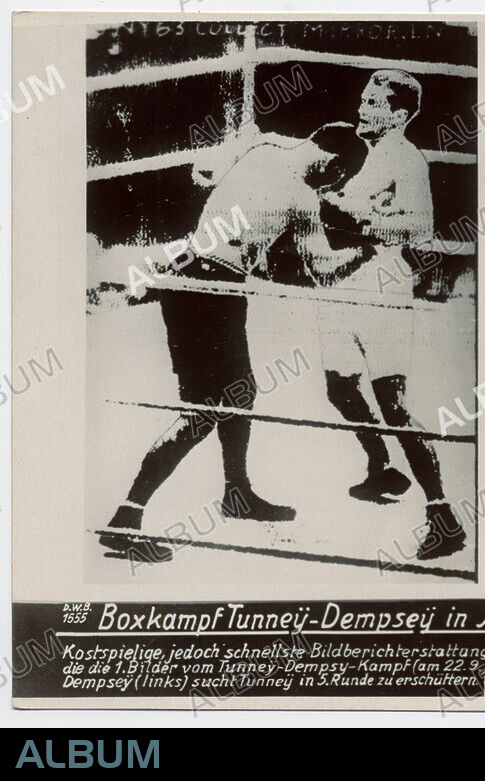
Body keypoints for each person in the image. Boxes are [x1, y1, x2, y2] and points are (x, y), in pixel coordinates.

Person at [99, 124, 361, 563]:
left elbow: (206, 173)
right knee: (203, 412)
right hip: (210, 287)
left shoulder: (263, 147)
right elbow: (324, 271)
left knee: (240, 392)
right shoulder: (303, 198)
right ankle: (126, 518)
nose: (332, 188)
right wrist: (369, 247)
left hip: (190, 272)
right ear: (334, 166)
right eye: (339, 179)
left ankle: (236, 492)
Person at [312, 70, 466, 562]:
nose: (363, 108)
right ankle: (381, 466)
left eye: (375, 103)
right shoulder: (365, 156)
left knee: (393, 403)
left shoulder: (406, 158)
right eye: (363, 99)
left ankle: (443, 517)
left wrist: (358, 220)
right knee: (339, 387)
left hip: (384, 287)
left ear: (399, 115)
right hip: (345, 285)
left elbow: (421, 228)